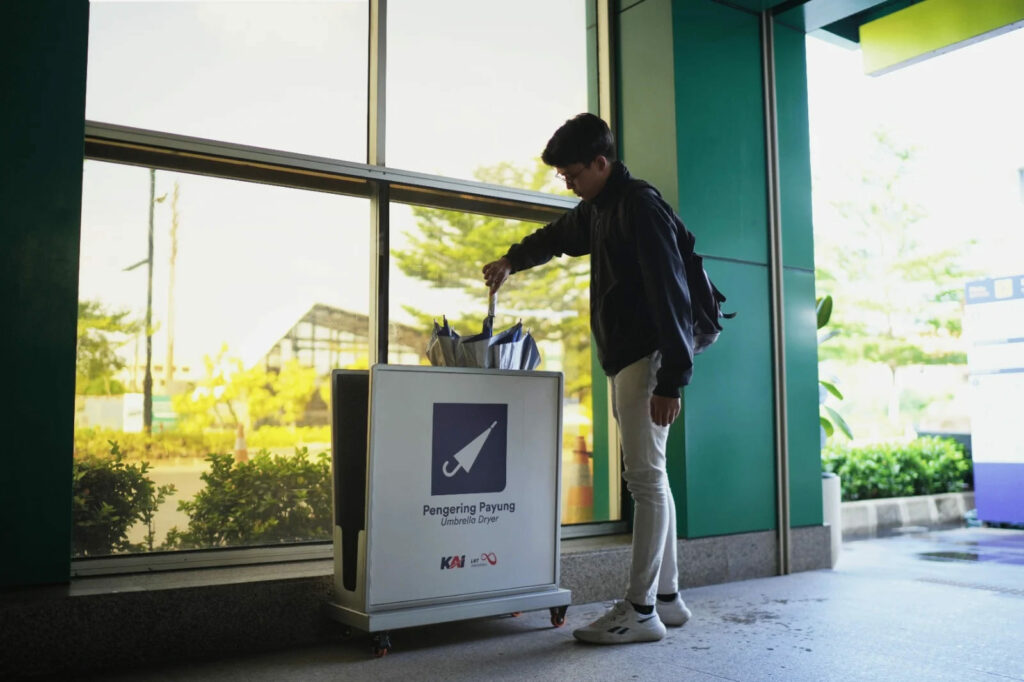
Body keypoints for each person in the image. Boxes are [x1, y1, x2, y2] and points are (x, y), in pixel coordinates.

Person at [482, 113, 695, 644]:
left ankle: (640, 611)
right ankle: (666, 600)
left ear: (601, 163)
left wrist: (672, 379)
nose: (569, 183)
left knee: (644, 480)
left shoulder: (639, 207)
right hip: (626, 356)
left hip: (647, 358)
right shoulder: (600, 208)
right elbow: (558, 235)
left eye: (573, 174)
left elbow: (673, 294)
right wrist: (512, 259)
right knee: (653, 477)